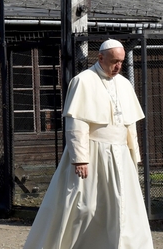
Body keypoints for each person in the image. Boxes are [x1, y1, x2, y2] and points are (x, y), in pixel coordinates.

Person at [23, 39, 153, 249]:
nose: (118, 66)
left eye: (121, 61)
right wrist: (79, 158)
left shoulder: (124, 84)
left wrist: (133, 154)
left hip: (120, 154)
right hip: (92, 153)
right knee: (85, 207)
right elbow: (76, 123)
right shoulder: (83, 81)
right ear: (100, 58)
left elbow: (130, 126)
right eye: (114, 62)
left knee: (124, 207)